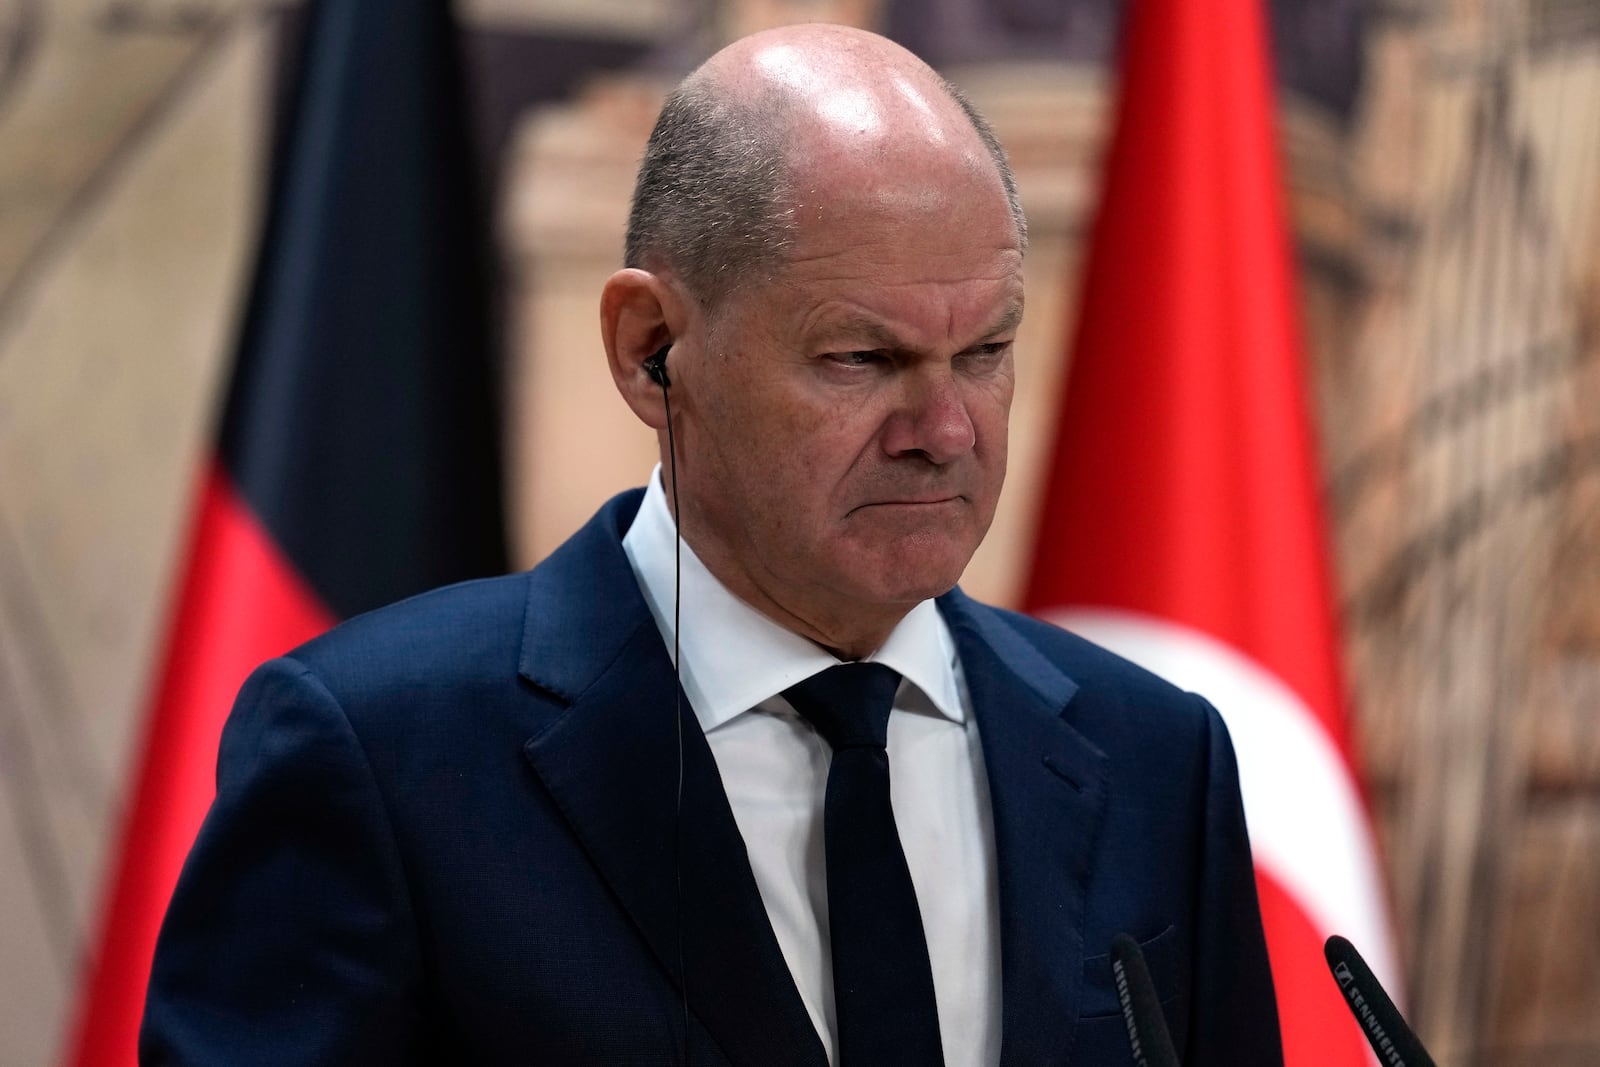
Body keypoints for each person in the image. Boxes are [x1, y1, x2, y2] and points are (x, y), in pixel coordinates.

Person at [142, 23, 1282, 1067]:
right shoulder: (385, 754)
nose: (944, 432)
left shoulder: (1151, 756)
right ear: (651, 351)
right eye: (862, 359)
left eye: (984, 351)